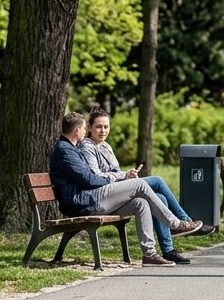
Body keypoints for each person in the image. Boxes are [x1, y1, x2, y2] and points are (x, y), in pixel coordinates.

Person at [49, 112, 202, 267]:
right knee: (140, 184)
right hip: (84, 202)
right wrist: (117, 177)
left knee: (141, 203)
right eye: (83, 128)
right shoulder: (65, 150)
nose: (84, 132)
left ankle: (149, 255)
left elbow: (88, 177)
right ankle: (174, 224)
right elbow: (89, 179)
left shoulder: (70, 148)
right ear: (77, 130)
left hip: (89, 197)